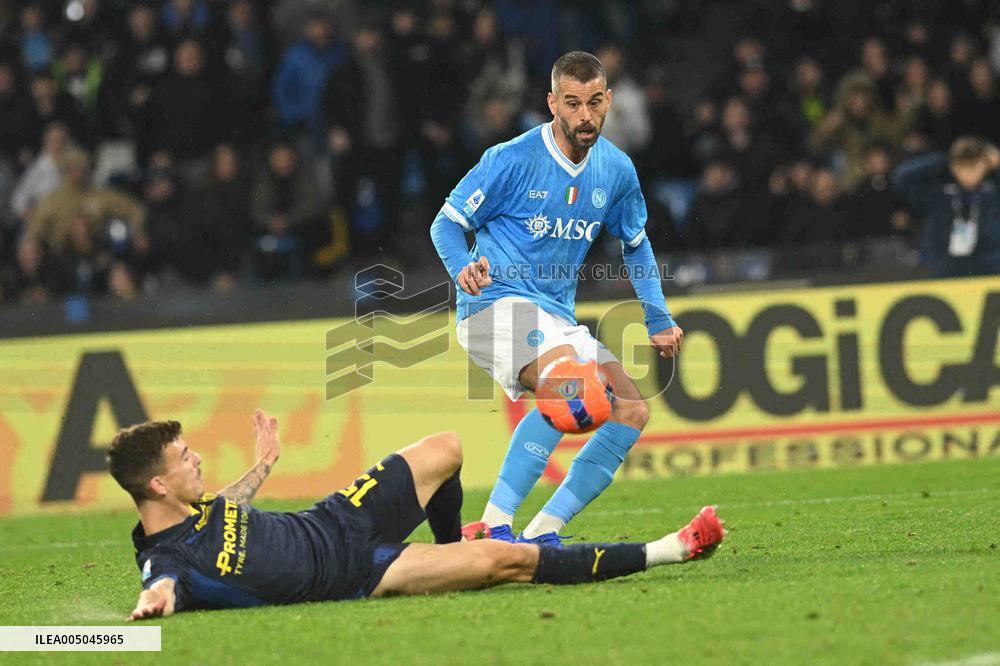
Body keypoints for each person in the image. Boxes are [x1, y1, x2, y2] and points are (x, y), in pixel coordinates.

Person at [116, 410, 726, 619]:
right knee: (504, 561)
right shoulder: (168, 561)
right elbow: (162, 586)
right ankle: (671, 548)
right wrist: (155, 603)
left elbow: (228, 509)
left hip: (336, 517)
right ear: (159, 484)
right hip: (358, 570)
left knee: (445, 449)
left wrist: (265, 466)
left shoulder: (194, 510)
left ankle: (452, 540)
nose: (198, 460)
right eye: (185, 457)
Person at [429, 51, 683, 546]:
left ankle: (545, 530)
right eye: (572, 103)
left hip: (554, 318)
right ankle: (495, 525)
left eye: (593, 102)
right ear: (552, 103)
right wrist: (462, 268)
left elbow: (636, 244)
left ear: (608, 100)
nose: (584, 116)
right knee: (567, 381)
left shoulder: (616, 170)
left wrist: (658, 317)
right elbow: (446, 223)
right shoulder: (512, 159)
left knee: (632, 409)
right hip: (492, 307)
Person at [890, 136, 1000, 277]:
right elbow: (900, 177)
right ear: (953, 166)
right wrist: (942, 161)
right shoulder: (938, 188)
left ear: (986, 165)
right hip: (942, 261)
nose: (968, 175)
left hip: (989, 261)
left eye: (974, 167)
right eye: (962, 168)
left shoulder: (994, 187)